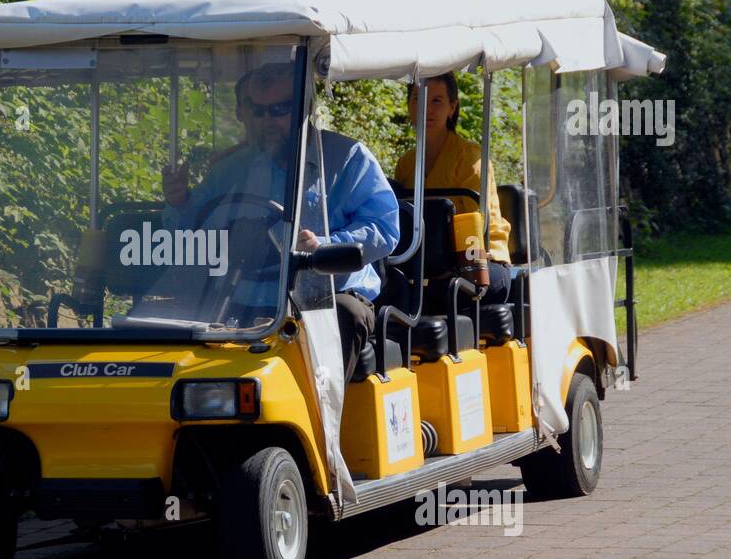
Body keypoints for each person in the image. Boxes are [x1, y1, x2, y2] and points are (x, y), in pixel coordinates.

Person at [162, 62, 400, 383]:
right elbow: (193, 230)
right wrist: (179, 204)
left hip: (326, 294)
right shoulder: (231, 168)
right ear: (244, 113)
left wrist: (322, 247)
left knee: (346, 315)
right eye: (258, 111)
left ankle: (319, 426)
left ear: (305, 108)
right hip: (242, 295)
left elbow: (385, 229)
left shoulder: (348, 158)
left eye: (279, 109)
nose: (267, 121)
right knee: (169, 315)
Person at [393, 72, 513, 308]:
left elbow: (476, 228)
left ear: (452, 107)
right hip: (426, 266)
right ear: (409, 106)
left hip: (481, 260)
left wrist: (454, 266)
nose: (427, 109)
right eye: (418, 99)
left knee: (450, 290)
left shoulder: (470, 158)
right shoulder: (405, 164)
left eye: (436, 101)